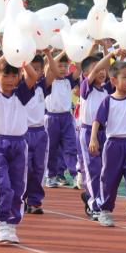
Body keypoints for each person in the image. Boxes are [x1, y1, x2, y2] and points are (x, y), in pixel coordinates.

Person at [0, 55, 38, 245]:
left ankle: (12, 224)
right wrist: (3, 58)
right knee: (2, 184)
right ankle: (2, 223)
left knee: (17, 187)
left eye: (14, 76)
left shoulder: (21, 94)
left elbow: (33, 77)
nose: (9, 80)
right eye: (5, 76)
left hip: (19, 145)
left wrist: (23, 59)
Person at [89, 60, 126, 230]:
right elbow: (97, 120)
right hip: (113, 146)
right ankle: (105, 211)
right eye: (125, 77)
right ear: (114, 80)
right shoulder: (108, 101)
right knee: (109, 180)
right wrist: (93, 139)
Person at [78, 49, 113, 218]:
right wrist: (109, 55)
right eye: (97, 70)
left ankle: (92, 196)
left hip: (104, 132)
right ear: (86, 74)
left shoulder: (107, 89)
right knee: (93, 169)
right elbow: (97, 69)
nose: (101, 72)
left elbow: (110, 69)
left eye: (103, 70)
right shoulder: (86, 88)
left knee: (104, 170)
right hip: (88, 133)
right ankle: (94, 204)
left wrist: (110, 51)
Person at [23, 51, 53, 214]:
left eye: (37, 69)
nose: (33, 72)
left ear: (42, 71)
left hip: (40, 133)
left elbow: (53, 72)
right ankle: (21, 197)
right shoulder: (20, 88)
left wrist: (48, 54)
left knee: (39, 168)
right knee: (24, 168)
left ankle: (34, 201)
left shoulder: (42, 87)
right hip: (23, 133)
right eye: (30, 68)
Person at [44, 52, 79, 188]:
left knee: (71, 147)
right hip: (51, 118)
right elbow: (48, 66)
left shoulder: (68, 80)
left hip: (67, 118)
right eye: (60, 66)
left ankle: (76, 176)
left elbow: (79, 69)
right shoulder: (49, 80)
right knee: (51, 148)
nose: (63, 69)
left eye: (65, 66)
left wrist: (74, 51)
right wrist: (62, 52)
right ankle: (51, 176)